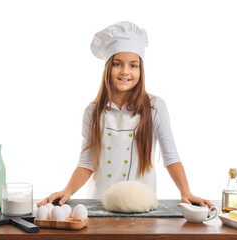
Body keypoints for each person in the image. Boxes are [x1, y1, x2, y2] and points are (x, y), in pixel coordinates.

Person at [38, 21, 213, 208]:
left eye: (133, 65)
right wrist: (67, 191)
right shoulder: (93, 111)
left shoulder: (155, 107)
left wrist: (186, 192)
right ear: (107, 68)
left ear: (141, 69)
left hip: (142, 205)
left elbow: (171, 156)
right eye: (117, 64)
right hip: (100, 204)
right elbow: (87, 161)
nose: (125, 72)